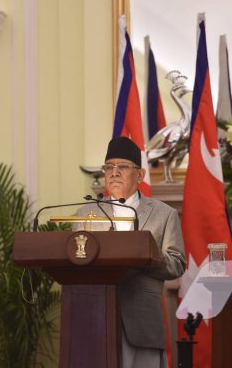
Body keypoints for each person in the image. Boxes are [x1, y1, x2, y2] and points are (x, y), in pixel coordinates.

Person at [74, 136, 186, 368]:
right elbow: (75, 260)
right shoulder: (86, 214)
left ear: (140, 174)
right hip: (96, 317)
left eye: (122, 166)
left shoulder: (164, 214)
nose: (114, 172)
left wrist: (147, 258)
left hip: (142, 320)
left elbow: (177, 263)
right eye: (109, 167)